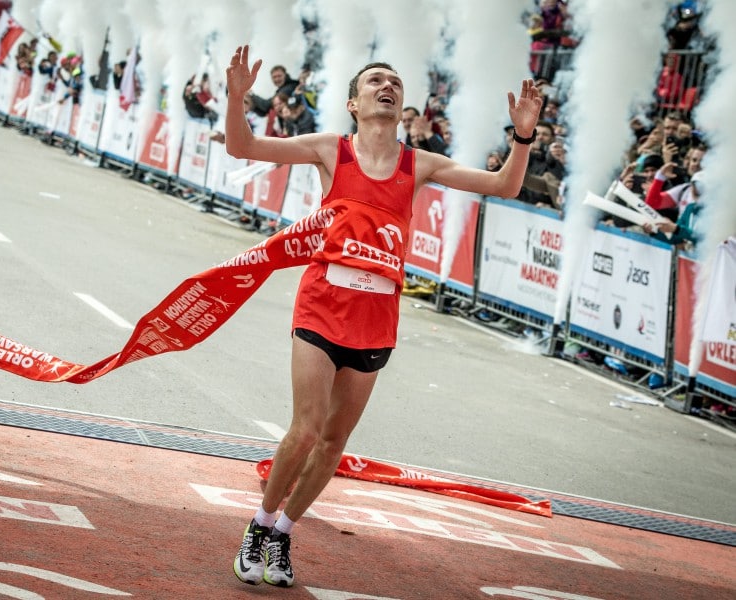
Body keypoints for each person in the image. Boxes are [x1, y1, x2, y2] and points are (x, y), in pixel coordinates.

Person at [224, 44, 541, 588]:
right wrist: (236, 97)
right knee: (304, 429)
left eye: (393, 81)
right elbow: (242, 145)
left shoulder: (421, 165)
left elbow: (504, 186)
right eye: (374, 80)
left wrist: (523, 137)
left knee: (333, 442)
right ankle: (257, 525)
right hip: (323, 305)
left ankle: (283, 532)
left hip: (375, 319)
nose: (386, 86)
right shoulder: (332, 150)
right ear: (353, 102)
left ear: (401, 105)